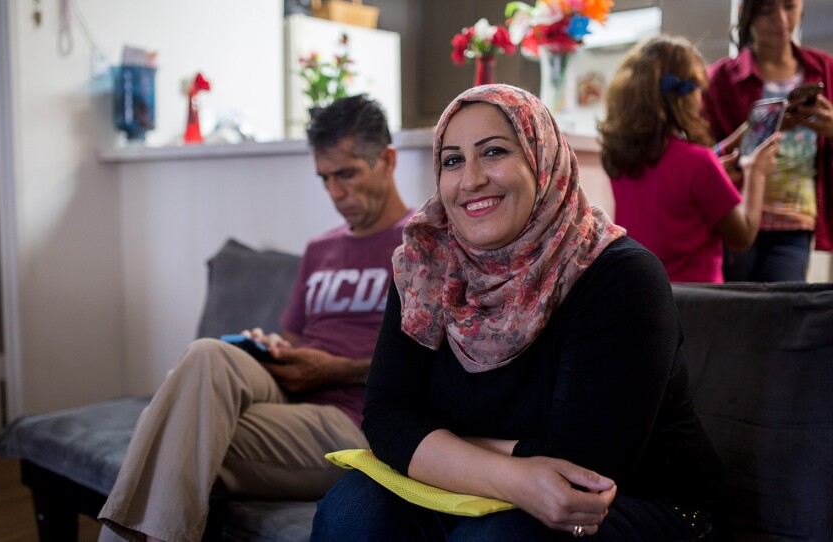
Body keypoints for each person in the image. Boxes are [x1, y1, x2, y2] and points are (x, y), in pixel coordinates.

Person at [311, 84, 728, 541]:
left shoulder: (621, 277)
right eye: (452, 160)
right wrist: (511, 474)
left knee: (502, 535)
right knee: (354, 506)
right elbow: (386, 417)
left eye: (493, 152)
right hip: (489, 490)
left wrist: (436, 444)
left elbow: (581, 468)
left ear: (541, 158)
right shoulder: (425, 265)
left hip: (634, 502)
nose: (470, 179)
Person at [98, 94, 412, 542]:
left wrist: (338, 369)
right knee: (210, 352)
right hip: (291, 395)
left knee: (168, 437)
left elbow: (435, 363)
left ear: (387, 160)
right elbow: (294, 339)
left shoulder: (422, 243)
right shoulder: (320, 248)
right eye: (324, 178)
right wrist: (275, 348)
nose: (335, 193)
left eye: (347, 174)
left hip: (353, 421)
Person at [600, 35, 779, 283]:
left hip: (643, 292)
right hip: (698, 302)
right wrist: (756, 173)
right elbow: (743, 236)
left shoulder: (620, 159)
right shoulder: (700, 163)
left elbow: (674, 192)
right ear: (686, 95)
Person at [704, 0, 833, 282]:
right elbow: (704, 161)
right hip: (734, 216)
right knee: (734, 313)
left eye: (790, 6)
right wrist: (764, 127)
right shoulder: (718, 79)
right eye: (767, 10)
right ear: (746, 13)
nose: (781, 19)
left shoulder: (824, 69)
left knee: (783, 315)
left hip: (795, 219)